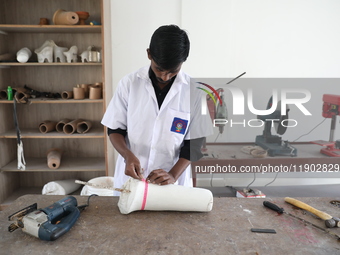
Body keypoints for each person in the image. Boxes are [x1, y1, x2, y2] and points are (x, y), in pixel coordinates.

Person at [101, 24, 213, 196]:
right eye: (159, 69)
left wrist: (173, 175)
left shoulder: (195, 92)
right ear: (149, 54)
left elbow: (195, 143)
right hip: (133, 179)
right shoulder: (129, 84)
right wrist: (127, 156)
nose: (164, 77)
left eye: (173, 71)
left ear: (183, 62)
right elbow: (115, 128)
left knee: (172, 222)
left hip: (172, 181)